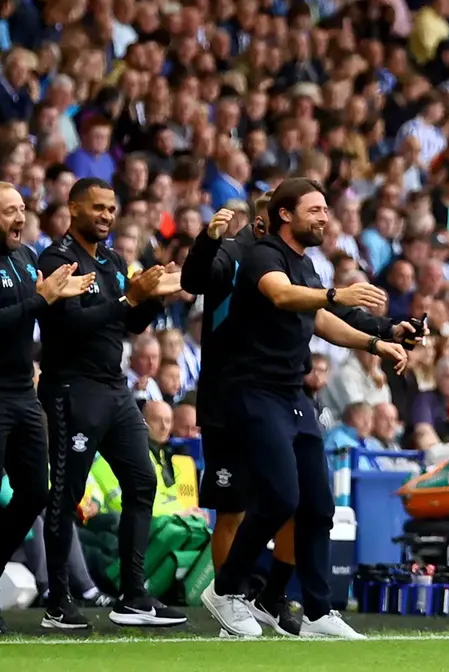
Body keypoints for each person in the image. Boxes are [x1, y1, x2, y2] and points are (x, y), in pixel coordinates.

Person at [182, 196, 419, 636]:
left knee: (310, 503)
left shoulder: (299, 264)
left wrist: (381, 332)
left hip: (284, 391)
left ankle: (287, 601)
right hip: (230, 394)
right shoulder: (241, 254)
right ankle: (229, 596)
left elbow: (324, 315)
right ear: (270, 219)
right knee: (239, 505)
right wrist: (206, 239)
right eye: (310, 210)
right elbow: (197, 280)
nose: (322, 219)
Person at [37, 177, 186, 630]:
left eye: (111, 209)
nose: (105, 216)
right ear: (74, 208)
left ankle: (134, 595)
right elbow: (67, 326)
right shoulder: (57, 259)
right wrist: (129, 298)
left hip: (114, 389)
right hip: (72, 389)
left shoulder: (114, 260)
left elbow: (130, 324)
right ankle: (59, 600)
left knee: (142, 482)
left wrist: (152, 298)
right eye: (97, 208)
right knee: (67, 496)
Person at [0, 182, 94, 634]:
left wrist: (60, 296)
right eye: (8, 211)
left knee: (36, 492)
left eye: (21, 209)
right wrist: (40, 300)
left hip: (22, 392)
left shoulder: (22, 259)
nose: (19, 218)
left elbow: (33, 310)